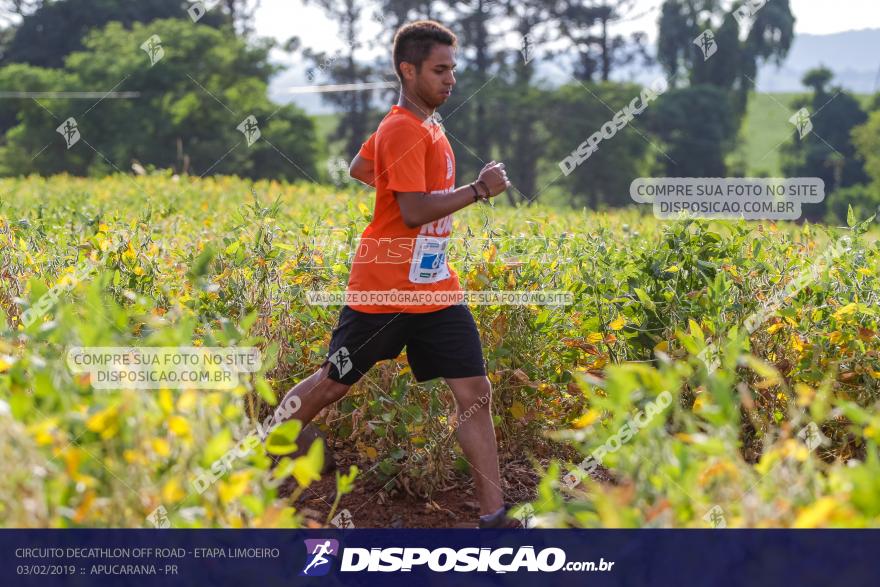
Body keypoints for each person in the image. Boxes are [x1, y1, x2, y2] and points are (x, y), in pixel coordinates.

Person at [272, 20, 521, 529]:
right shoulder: (402, 128)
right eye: (439, 69)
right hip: (384, 291)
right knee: (331, 383)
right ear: (408, 70)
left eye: (452, 69)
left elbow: (361, 168)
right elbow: (410, 211)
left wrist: (402, 184)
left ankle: (495, 520)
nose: (450, 79)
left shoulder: (422, 123)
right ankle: (257, 453)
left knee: (475, 393)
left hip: (435, 289)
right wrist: (478, 190)